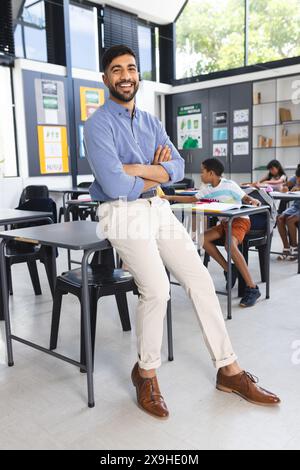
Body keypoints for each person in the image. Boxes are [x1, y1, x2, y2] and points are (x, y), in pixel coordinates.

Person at [84, 44, 280, 419]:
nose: (126, 75)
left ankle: (229, 370)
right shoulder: (97, 125)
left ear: (137, 74)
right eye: (117, 70)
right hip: (121, 212)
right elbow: (112, 184)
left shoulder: (151, 122)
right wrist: (150, 173)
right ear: (106, 77)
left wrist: (135, 169)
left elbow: (177, 168)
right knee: (157, 289)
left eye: (131, 68)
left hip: (157, 207)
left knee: (201, 280)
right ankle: (146, 374)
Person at [163, 158, 262, 307]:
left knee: (230, 245)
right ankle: (229, 268)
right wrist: (168, 197)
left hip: (239, 220)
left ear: (211, 173)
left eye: (202, 171)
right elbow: (191, 199)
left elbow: (245, 197)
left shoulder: (230, 185)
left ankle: (252, 288)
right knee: (202, 239)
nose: (200, 174)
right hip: (224, 223)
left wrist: (252, 200)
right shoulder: (207, 188)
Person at [277, 164, 300, 260]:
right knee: (280, 218)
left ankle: (294, 248)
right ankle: (286, 248)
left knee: (290, 220)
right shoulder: (296, 177)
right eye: (298, 178)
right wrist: (284, 188)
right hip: (296, 206)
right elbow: (284, 185)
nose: (298, 180)